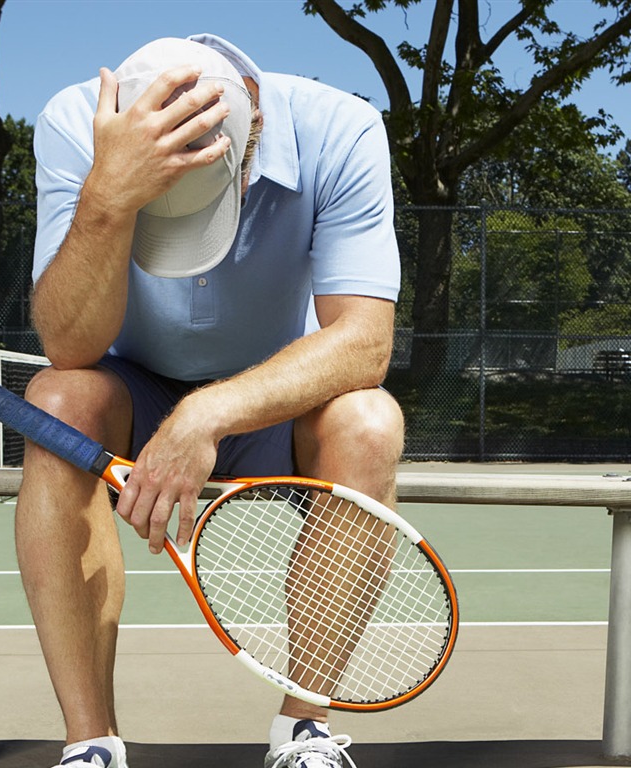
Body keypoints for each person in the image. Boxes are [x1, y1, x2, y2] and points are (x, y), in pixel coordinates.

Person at [24, 34, 403, 768]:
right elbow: (69, 348)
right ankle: (90, 744)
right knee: (56, 399)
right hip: (130, 393)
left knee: (369, 420)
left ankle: (305, 730)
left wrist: (204, 415)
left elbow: (365, 342)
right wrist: (109, 193)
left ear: (251, 129)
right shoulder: (73, 122)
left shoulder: (343, 128)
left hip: (278, 399)